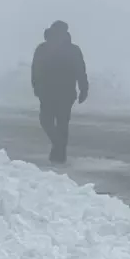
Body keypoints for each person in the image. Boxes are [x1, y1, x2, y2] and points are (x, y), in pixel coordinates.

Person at [31, 20, 88, 164]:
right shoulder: (43, 48)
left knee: (62, 123)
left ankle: (60, 155)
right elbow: (35, 69)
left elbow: (80, 70)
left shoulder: (73, 50)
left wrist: (84, 88)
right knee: (46, 121)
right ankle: (58, 146)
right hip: (47, 92)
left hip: (65, 93)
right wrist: (36, 87)